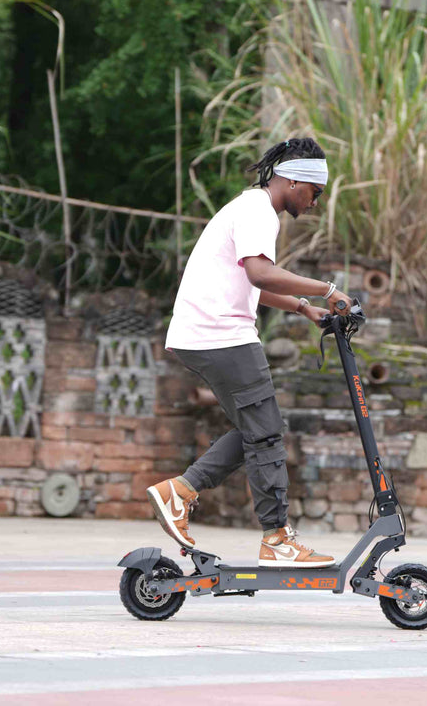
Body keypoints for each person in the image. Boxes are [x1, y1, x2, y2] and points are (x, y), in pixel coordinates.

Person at [146, 137, 351, 568]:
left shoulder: (249, 208)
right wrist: (328, 290)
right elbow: (261, 273)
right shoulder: (259, 210)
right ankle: (277, 538)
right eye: (314, 193)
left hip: (206, 332)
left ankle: (179, 492)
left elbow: (251, 279)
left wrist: (302, 307)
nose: (314, 204)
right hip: (222, 334)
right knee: (268, 435)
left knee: (260, 431)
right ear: (294, 181)